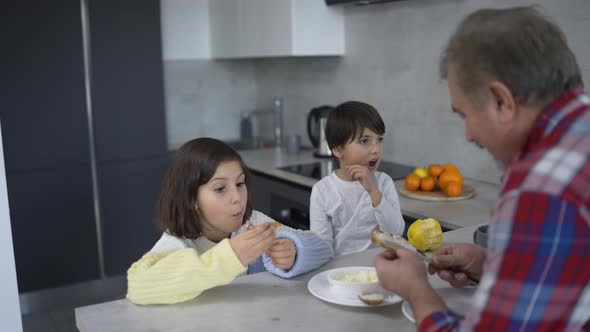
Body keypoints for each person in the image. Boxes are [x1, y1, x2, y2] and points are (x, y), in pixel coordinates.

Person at [375, 6, 590, 331]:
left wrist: (416, 291)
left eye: (464, 114)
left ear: (501, 101)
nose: (469, 134)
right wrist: (495, 265)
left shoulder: (541, 189)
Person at [127, 138, 333, 305]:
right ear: (192, 199)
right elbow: (137, 286)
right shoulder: (178, 241)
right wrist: (230, 256)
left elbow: (324, 248)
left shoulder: (253, 223)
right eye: (220, 189)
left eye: (240, 183)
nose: (237, 197)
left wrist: (295, 251)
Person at [310, 101, 405, 257]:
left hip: (380, 267)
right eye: (364, 141)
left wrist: (374, 190)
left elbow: (396, 232)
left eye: (379, 139)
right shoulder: (322, 191)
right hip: (340, 272)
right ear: (338, 150)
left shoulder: (384, 182)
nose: (376, 149)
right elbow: (321, 247)